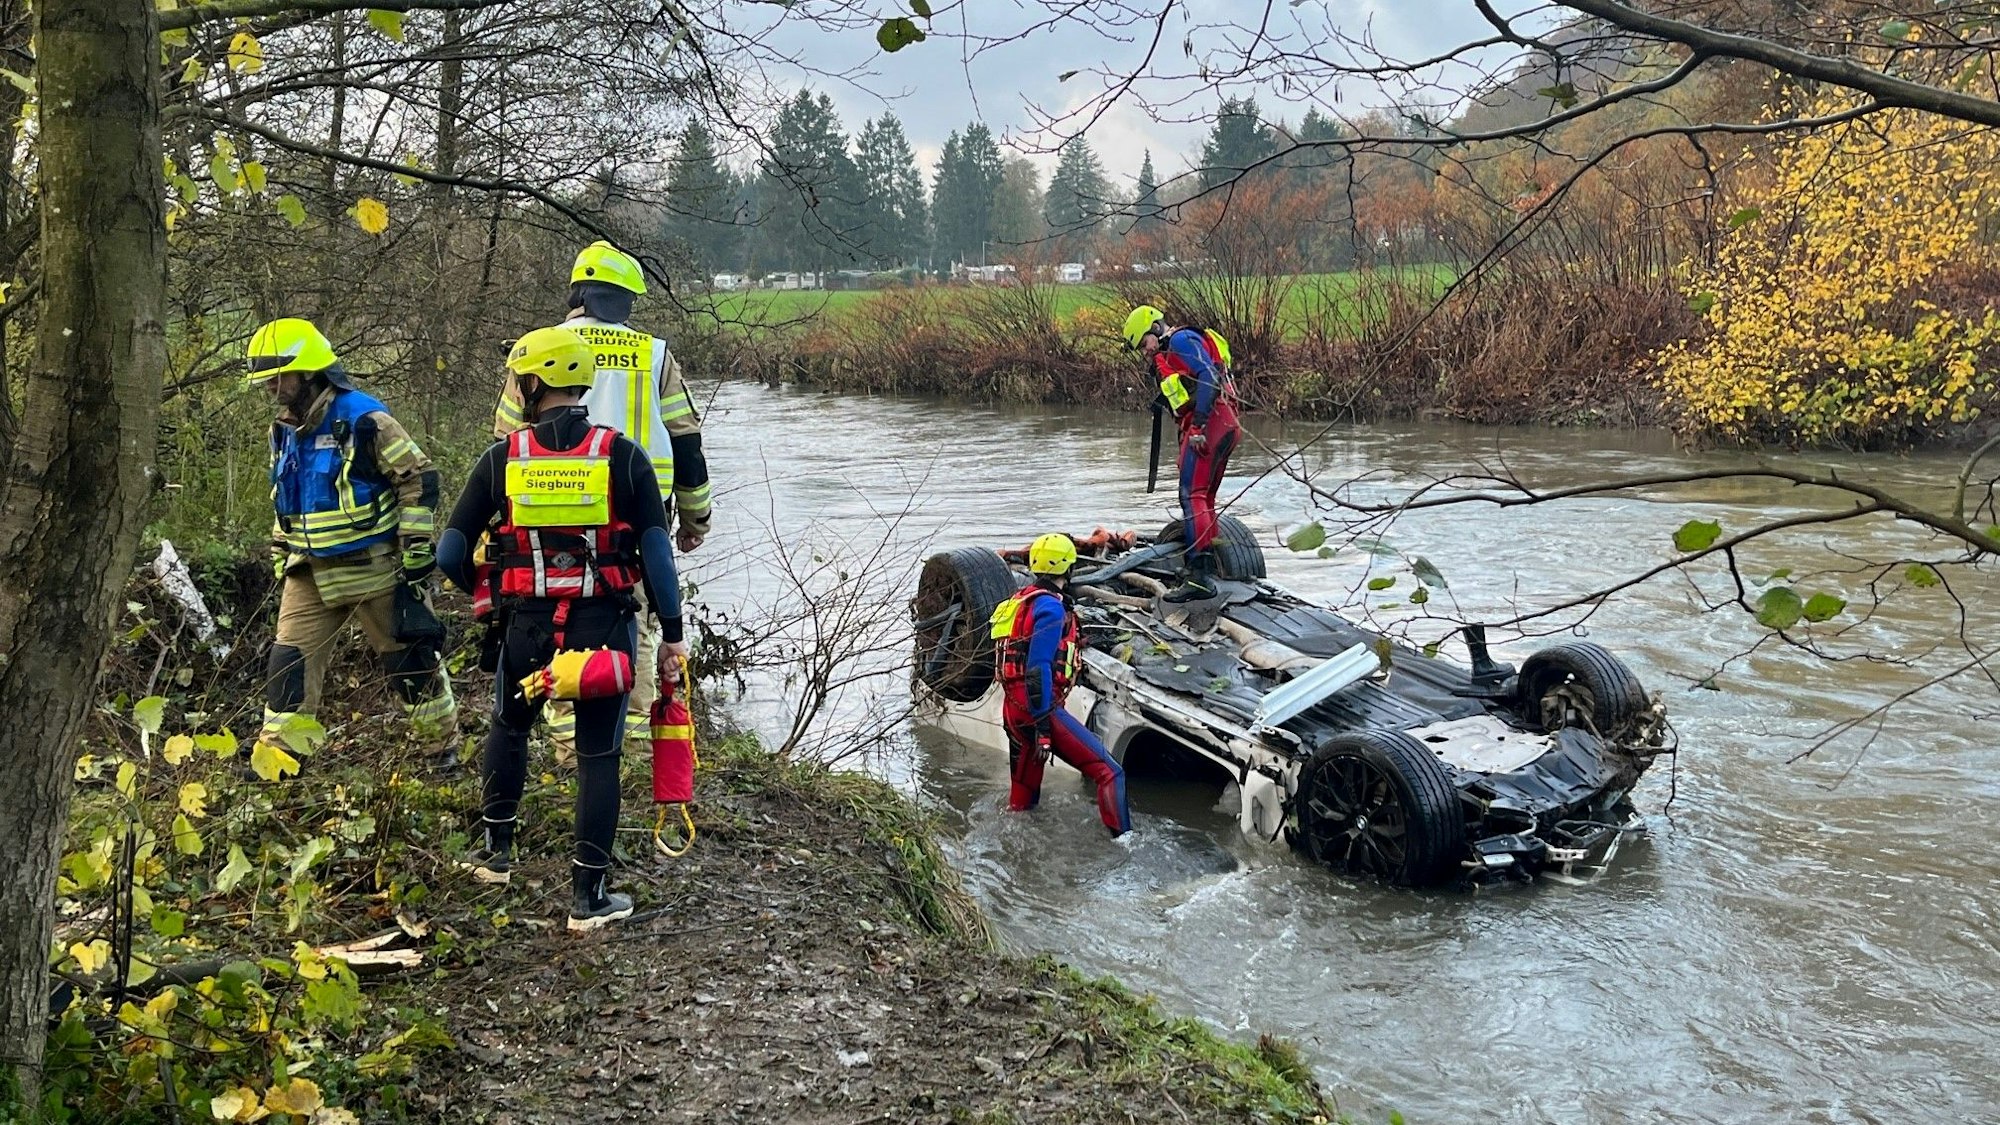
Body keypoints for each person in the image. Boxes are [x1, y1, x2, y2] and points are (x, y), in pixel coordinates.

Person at [440, 325, 687, 931]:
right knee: (598, 754)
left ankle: (496, 857)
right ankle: (588, 898)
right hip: (604, 630)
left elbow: (450, 551)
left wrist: (488, 595)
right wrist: (674, 635)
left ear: (533, 384)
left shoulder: (502, 459)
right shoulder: (623, 456)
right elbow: (656, 555)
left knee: (510, 726)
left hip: (525, 631)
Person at [492, 241, 712, 751]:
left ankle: (567, 744)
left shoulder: (535, 347)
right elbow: (686, 442)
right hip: (635, 517)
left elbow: (503, 440)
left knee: (555, 613)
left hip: (545, 510)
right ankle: (625, 751)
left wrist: (500, 525)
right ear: (626, 301)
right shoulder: (653, 354)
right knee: (630, 623)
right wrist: (696, 519)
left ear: (577, 294)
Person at [248, 317, 457, 770]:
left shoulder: (365, 420)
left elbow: (418, 479)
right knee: (287, 669)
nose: (270, 387)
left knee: (411, 666)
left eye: (277, 377)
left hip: (375, 569)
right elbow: (287, 494)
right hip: (309, 574)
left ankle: (441, 756)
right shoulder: (282, 430)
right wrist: (282, 546)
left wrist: (417, 545)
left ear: (308, 372)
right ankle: (278, 766)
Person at [990, 533, 1131, 836]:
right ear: (1068, 568)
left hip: (1012, 710)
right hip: (1038, 710)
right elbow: (1038, 666)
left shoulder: (1016, 602)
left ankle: (1016, 844)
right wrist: (1043, 727)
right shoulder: (1051, 609)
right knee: (1110, 773)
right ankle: (1126, 847)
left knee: (1022, 803)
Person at [1122, 304, 1240, 602]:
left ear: (1154, 329)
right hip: (1223, 422)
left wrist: (1198, 426)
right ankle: (1209, 567)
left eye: (1144, 343)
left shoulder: (1180, 342)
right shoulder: (1173, 349)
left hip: (1210, 423)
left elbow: (1208, 377)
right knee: (1204, 497)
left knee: (1191, 496)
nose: (1145, 351)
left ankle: (1199, 577)